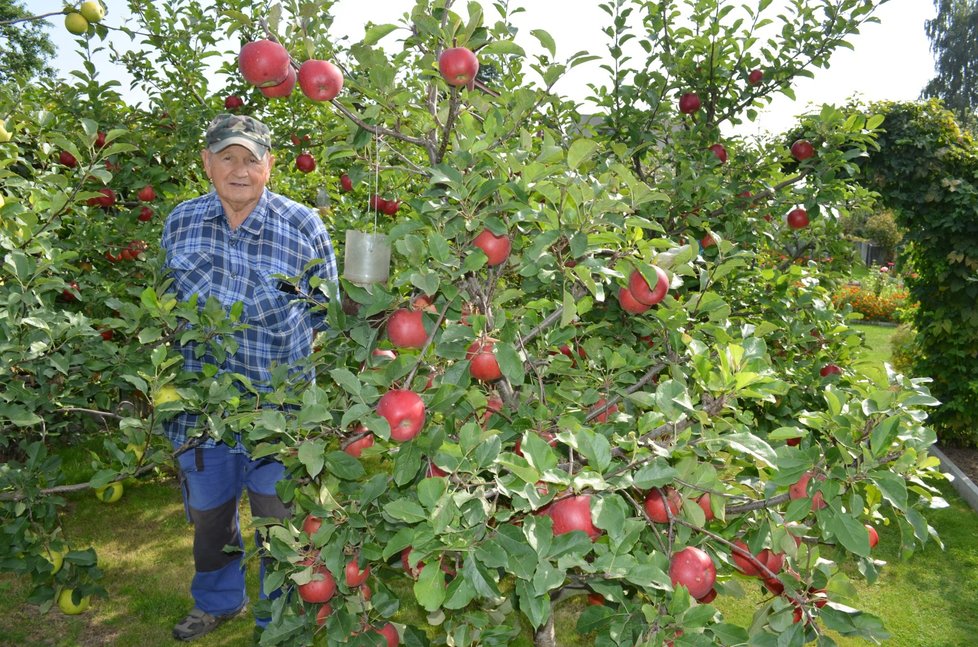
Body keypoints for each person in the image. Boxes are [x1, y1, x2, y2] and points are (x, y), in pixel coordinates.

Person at [161, 113, 337, 641]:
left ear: (270, 166)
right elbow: (166, 307)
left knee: (278, 526)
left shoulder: (303, 225)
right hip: (200, 412)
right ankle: (218, 601)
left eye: (251, 158)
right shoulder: (181, 221)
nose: (239, 169)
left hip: (278, 415)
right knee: (211, 522)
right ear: (207, 163)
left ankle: (276, 616)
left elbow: (328, 316)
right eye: (227, 156)